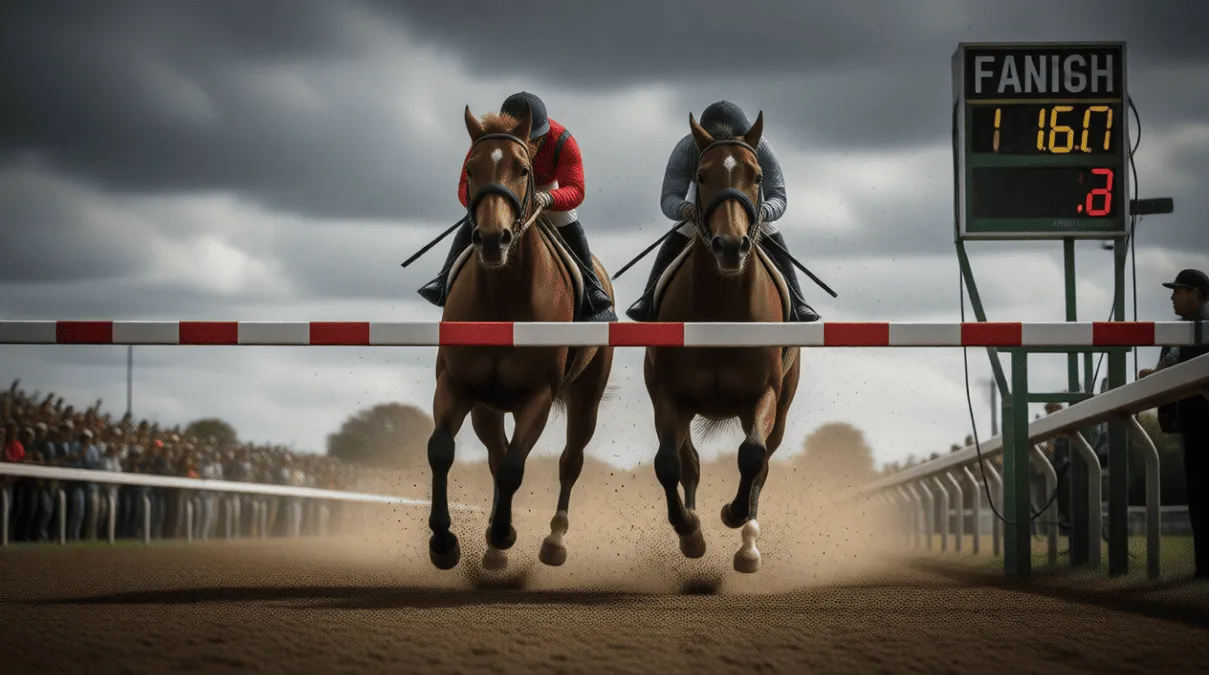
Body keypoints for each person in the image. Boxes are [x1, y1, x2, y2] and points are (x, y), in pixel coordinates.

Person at [418, 91, 616, 322]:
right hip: (507, 191)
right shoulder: (488, 142)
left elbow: (576, 188)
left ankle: (592, 290)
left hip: (547, 189)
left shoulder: (562, 140)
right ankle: (443, 280)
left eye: (535, 141)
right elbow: (465, 184)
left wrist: (551, 198)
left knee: (568, 220)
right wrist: (478, 203)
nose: (529, 146)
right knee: (476, 221)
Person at [625, 100, 820, 323]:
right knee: (680, 232)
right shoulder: (688, 148)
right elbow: (669, 198)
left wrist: (763, 212)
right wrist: (686, 210)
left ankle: (797, 301)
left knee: (770, 230)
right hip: (702, 208)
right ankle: (648, 298)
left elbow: (778, 196)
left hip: (752, 211)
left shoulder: (760, 147)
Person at [1138, 268, 1209, 579]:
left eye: (1178, 290)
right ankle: (1203, 566)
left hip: (1201, 421)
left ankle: (1204, 567)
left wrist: (1158, 377)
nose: (1171, 296)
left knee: (1201, 492)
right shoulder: (1181, 330)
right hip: (1195, 422)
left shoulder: (1200, 324)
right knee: (1198, 492)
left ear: (1195, 293)